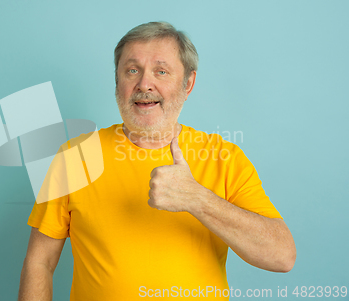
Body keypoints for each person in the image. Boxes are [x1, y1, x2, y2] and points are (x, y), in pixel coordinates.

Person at [17, 22, 296, 300]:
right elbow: (39, 263)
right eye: (132, 70)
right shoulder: (75, 156)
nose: (144, 84)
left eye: (161, 71)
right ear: (118, 81)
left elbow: (281, 257)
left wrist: (198, 199)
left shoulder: (224, 157)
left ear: (188, 83)